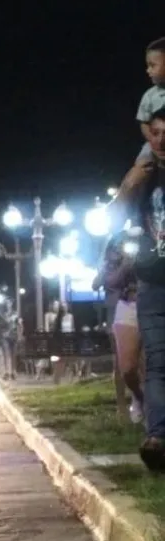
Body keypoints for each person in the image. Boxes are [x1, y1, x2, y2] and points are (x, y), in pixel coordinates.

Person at [116, 107, 165, 470]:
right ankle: (158, 438)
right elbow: (113, 220)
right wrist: (128, 184)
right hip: (153, 282)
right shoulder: (144, 176)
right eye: (155, 133)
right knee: (158, 364)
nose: (161, 140)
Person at [96, 231, 143, 422]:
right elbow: (100, 283)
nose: (119, 249)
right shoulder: (110, 266)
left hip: (137, 309)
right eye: (116, 246)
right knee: (121, 365)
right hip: (117, 314)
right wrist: (122, 265)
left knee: (142, 361)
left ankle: (139, 402)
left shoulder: (136, 260)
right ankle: (123, 405)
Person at [138, 38, 165, 149]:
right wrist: (152, 139)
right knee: (144, 157)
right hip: (156, 146)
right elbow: (144, 122)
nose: (148, 70)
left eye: (152, 65)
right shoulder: (150, 96)